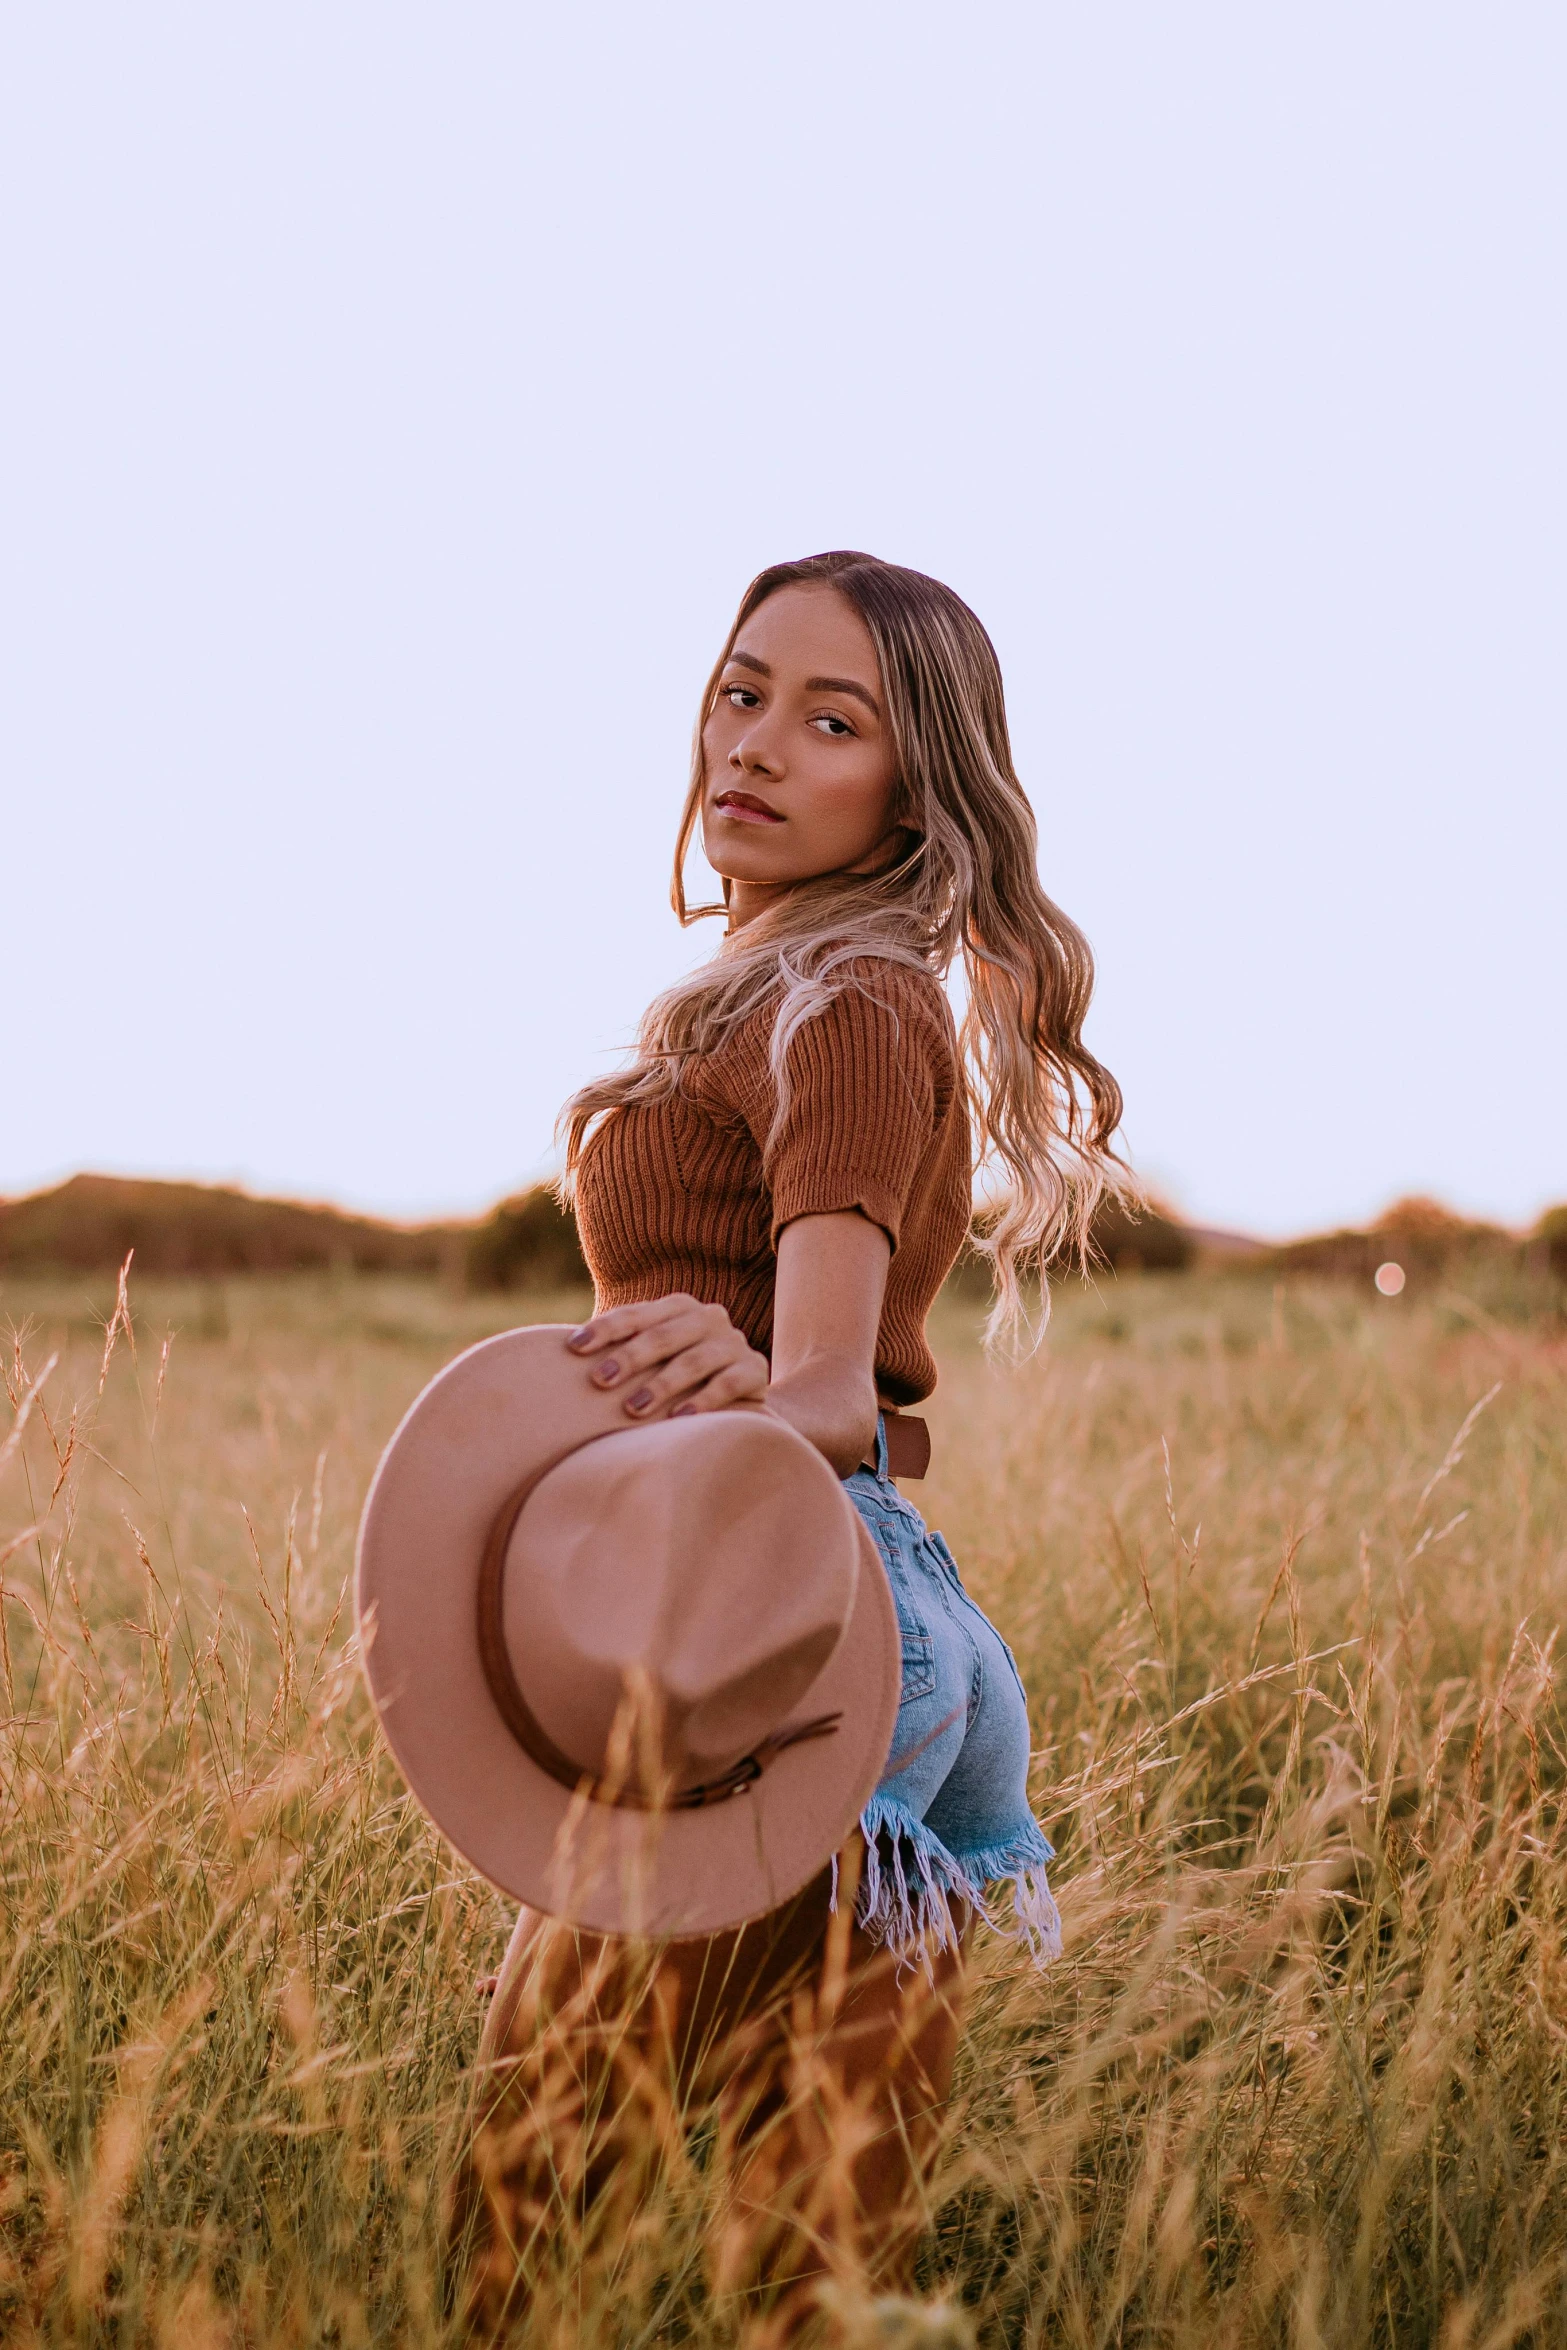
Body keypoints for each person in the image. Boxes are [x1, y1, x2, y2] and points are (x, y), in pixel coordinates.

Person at [457, 551, 1123, 2341]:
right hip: (857, 1603)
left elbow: (828, 1393)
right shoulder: (790, 986)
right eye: (741, 689)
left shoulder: (850, 1000)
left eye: (832, 721)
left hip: (783, 1598)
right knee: (815, 2254)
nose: (753, 742)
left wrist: (744, 1371)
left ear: (914, 787)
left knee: (520, 2224)